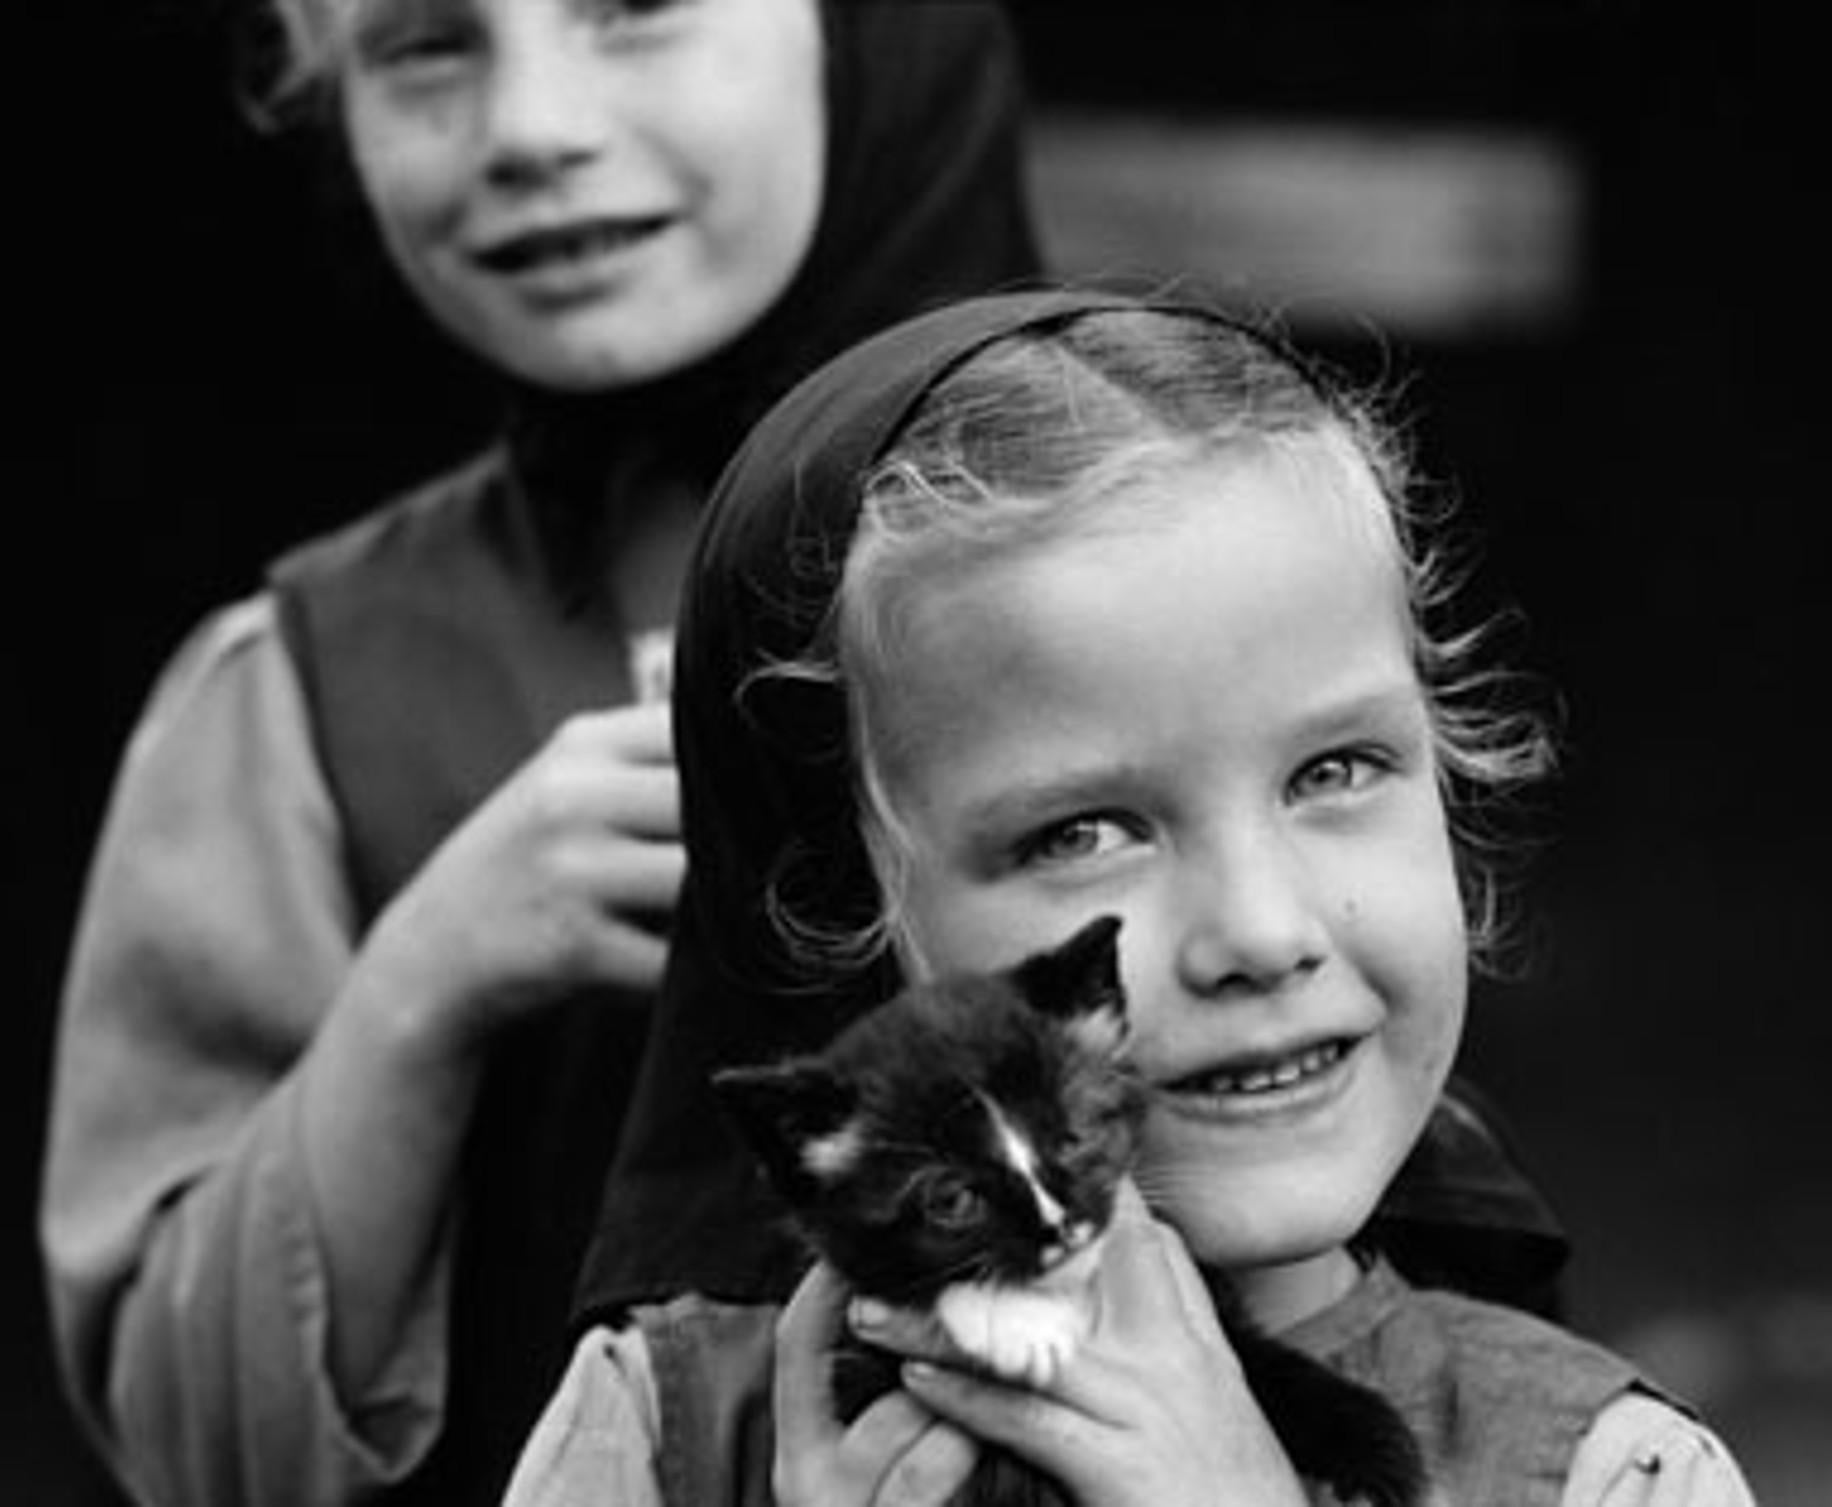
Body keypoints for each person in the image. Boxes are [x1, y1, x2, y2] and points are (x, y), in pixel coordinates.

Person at [501, 290, 1756, 1505]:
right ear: (857, 910)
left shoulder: (1617, 1473)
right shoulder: (668, 1428)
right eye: (1084, 832)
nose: (1262, 935)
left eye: (1334, 770)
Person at [38, 4, 1042, 1505]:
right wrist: (424, 979)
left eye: (632, 11)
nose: (529, 128)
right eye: (422, 47)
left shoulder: (1188, 554)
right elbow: (193, 1447)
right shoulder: (306, 687)